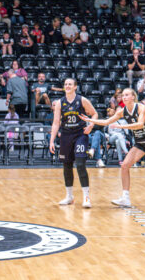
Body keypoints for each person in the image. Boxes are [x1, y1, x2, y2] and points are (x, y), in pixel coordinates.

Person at [81, 89, 145, 210]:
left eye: (127, 95)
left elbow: (139, 124)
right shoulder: (123, 111)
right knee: (125, 166)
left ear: (133, 97)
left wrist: (121, 126)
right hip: (140, 143)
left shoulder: (141, 107)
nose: (124, 97)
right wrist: (90, 120)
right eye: (123, 95)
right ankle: (125, 198)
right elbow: (106, 121)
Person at [49, 78, 98, 208]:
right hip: (66, 135)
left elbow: (94, 114)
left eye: (70, 84)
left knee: (80, 164)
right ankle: (69, 196)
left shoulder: (82, 100)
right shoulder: (60, 103)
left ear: (75, 87)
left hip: (80, 135)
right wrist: (52, 140)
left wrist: (91, 126)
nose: (67, 86)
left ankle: (86, 197)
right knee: (67, 166)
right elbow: (56, 122)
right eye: (65, 84)